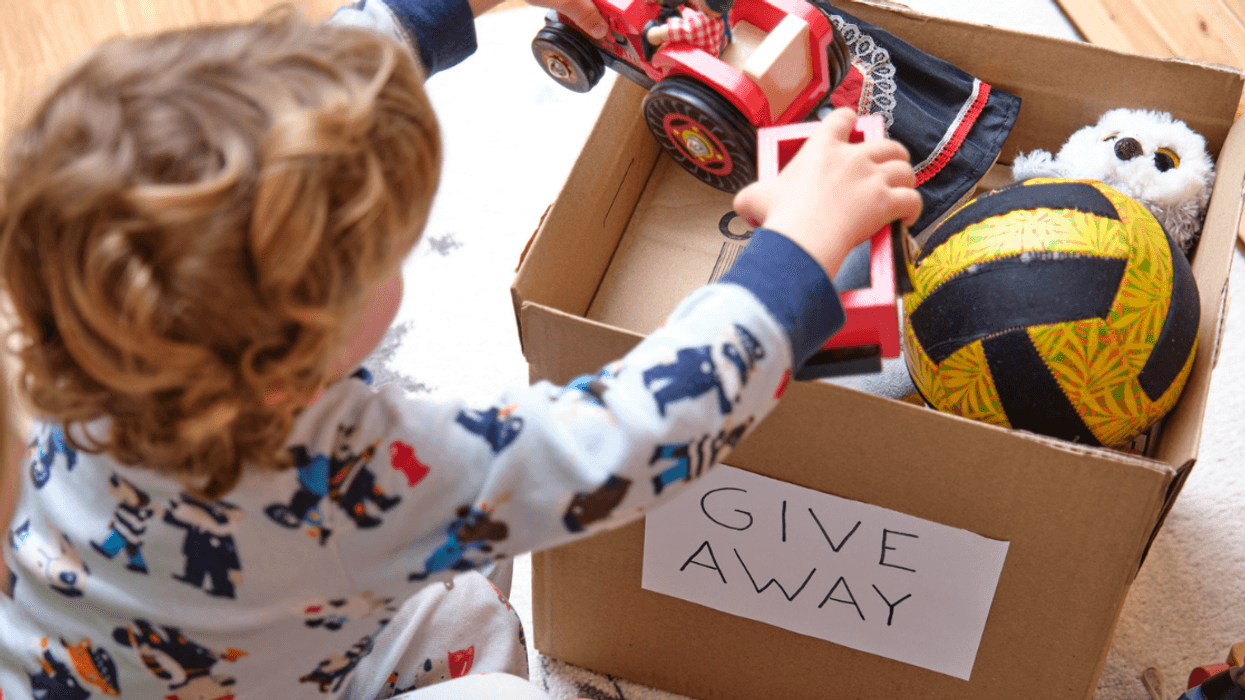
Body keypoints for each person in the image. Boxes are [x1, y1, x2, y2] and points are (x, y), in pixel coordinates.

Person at [0, 0, 920, 696]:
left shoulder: (85, 330)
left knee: (447, 599)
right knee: (478, 643)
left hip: (77, 663)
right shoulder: (364, 477)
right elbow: (628, 436)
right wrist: (797, 251)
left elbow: (285, 103)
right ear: (296, 353)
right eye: (388, 253)